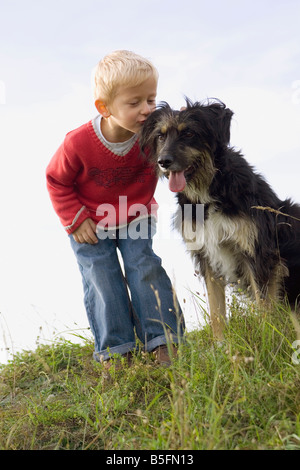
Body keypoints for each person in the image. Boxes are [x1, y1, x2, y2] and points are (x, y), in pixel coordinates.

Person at [46, 50, 185, 368]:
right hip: (88, 222)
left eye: (151, 99)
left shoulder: (154, 138)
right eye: (134, 103)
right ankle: (116, 351)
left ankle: (163, 342)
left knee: (144, 266)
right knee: (101, 277)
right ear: (104, 108)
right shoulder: (77, 143)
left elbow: (173, 162)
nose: (146, 110)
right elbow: (56, 180)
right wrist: (74, 219)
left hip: (136, 214)